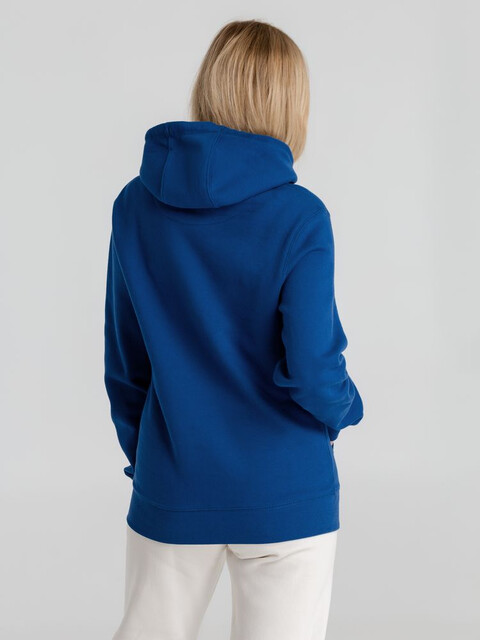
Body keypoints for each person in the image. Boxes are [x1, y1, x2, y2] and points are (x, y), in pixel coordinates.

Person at [104, 19, 364, 640]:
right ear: (290, 104)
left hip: (175, 478)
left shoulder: (135, 206)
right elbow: (312, 368)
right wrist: (346, 410)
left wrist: (152, 460)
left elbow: (126, 362)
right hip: (285, 485)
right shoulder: (301, 216)